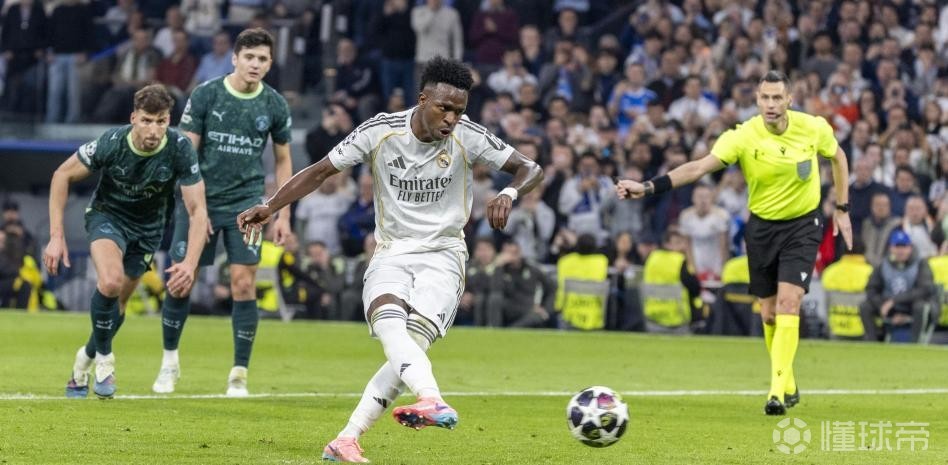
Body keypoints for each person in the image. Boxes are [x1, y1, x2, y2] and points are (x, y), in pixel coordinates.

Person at [238, 56, 542, 462]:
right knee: (390, 327)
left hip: (443, 255)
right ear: (423, 99)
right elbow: (321, 171)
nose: (451, 119)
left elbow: (530, 168)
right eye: (445, 108)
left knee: (408, 347)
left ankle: (350, 436)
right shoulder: (380, 131)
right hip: (392, 252)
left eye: (458, 111)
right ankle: (426, 400)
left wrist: (509, 192)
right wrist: (271, 205)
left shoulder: (468, 136)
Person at [617, 70, 853, 415]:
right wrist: (648, 186)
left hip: (802, 226)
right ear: (757, 100)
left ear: (789, 100)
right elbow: (698, 168)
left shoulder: (813, 128)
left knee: (789, 304)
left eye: (777, 97)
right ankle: (787, 379)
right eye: (765, 98)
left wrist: (842, 208)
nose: (770, 104)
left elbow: (839, 157)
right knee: (769, 315)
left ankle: (775, 393)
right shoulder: (743, 136)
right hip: (762, 229)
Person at [152, 28, 293, 397]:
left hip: (247, 203)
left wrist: (282, 213)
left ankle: (239, 374)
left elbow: (283, 161)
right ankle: (169, 362)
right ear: (235, 58)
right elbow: (186, 152)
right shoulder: (206, 94)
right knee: (181, 280)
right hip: (200, 200)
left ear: (270, 64)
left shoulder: (274, 104)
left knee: (243, 284)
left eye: (262, 59)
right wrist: (196, 206)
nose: (255, 64)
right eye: (249, 57)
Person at [43, 84, 208, 399]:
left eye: (161, 121)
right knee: (110, 282)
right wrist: (56, 236)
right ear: (134, 118)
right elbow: (61, 175)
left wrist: (190, 263)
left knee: (118, 305)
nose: (154, 130)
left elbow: (198, 210)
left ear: (168, 120)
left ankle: (84, 360)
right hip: (107, 217)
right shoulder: (112, 142)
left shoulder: (180, 148)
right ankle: (105, 361)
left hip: (148, 231)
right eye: (146, 120)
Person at [859, 229, 934, 343]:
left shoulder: (920, 263)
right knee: (865, 306)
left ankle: (916, 344)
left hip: (910, 306)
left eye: (904, 247)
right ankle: (873, 343)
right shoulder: (883, 265)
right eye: (897, 247)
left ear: (910, 247)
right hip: (889, 307)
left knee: (921, 306)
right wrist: (881, 305)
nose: (900, 251)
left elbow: (925, 290)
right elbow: (871, 289)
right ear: (891, 248)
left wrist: (894, 301)